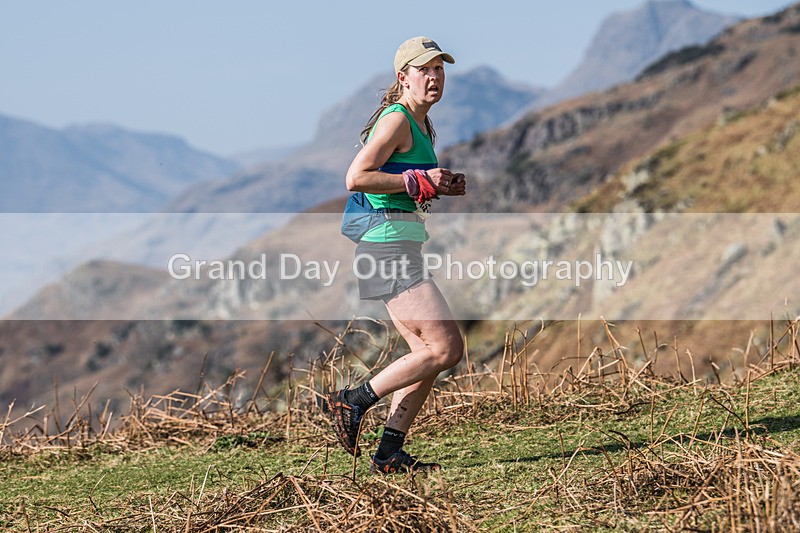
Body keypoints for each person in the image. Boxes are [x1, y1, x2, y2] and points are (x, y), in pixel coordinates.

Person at [326, 36, 467, 474]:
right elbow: (357, 177)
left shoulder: (422, 125)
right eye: (425, 69)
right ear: (403, 77)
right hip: (385, 246)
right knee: (446, 349)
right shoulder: (398, 119)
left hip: (398, 242)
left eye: (440, 69)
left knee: (423, 355)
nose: (434, 77)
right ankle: (351, 401)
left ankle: (388, 455)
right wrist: (418, 180)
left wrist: (435, 185)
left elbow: (406, 179)